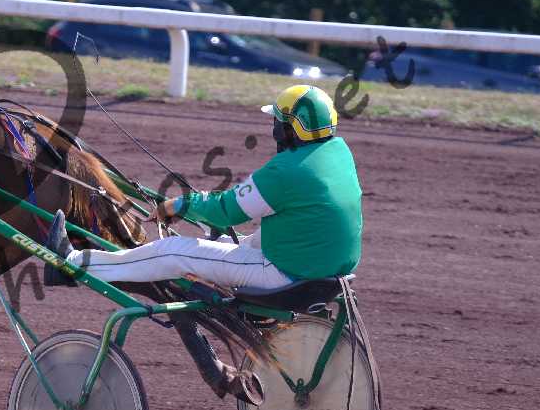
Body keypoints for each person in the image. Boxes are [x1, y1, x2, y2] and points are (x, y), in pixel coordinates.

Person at [45, 84, 362, 290]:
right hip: (327, 265)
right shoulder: (340, 153)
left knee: (173, 251)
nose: (274, 128)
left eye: (277, 122)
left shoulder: (286, 170)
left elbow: (226, 211)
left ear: (290, 129)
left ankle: (74, 263)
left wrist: (179, 204)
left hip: (285, 275)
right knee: (230, 242)